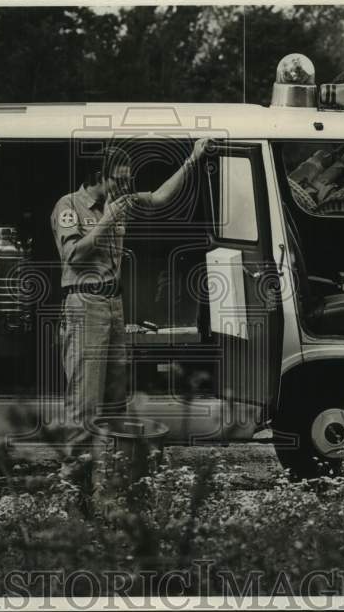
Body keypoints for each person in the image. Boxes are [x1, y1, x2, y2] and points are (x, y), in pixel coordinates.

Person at [51, 139, 210, 455]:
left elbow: (161, 195)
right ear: (100, 176)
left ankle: (111, 476)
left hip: (114, 305)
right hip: (85, 304)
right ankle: (75, 482)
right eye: (119, 179)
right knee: (85, 400)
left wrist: (193, 159)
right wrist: (108, 219)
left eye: (128, 179)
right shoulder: (69, 205)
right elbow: (72, 255)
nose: (126, 185)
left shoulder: (122, 200)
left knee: (115, 399)